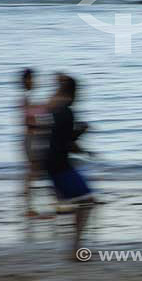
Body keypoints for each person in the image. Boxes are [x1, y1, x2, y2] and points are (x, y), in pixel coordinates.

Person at [45, 74, 94, 259]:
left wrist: (81, 145)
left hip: (54, 163)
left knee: (78, 203)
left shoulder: (59, 110)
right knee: (87, 202)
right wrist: (81, 132)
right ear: (73, 93)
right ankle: (75, 249)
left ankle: (75, 247)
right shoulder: (66, 112)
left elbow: (61, 139)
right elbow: (66, 142)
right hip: (59, 164)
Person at [21, 68, 51, 218]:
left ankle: (31, 207)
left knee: (34, 173)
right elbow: (27, 122)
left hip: (33, 139)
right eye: (32, 78)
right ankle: (29, 208)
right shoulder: (25, 98)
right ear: (25, 80)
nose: (34, 81)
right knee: (32, 174)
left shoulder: (29, 97)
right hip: (31, 140)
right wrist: (44, 127)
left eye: (34, 78)